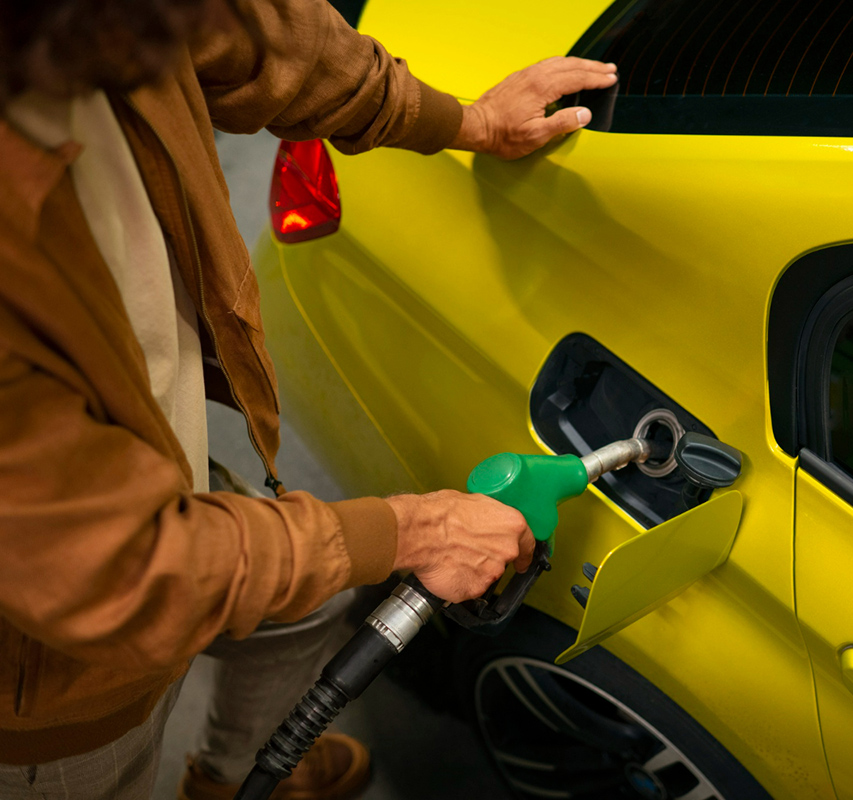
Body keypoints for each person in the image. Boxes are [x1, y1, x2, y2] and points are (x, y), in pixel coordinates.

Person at [0, 0, 618, 798]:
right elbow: (127, 569)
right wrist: (415, 529)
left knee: (299, 614)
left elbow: (257, 35)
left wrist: (468, 122)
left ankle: (233, 775)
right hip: (52, 686)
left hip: (140, 480)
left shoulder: (97, 22)